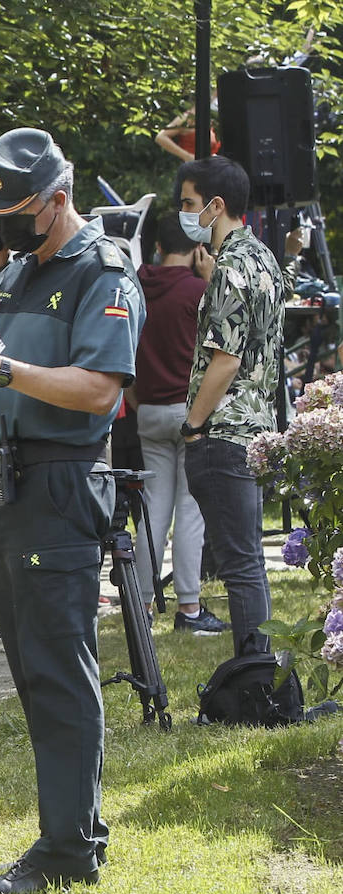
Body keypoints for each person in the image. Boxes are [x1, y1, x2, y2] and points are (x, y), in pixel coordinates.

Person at [0, 128, 144, 894]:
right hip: (5, 490)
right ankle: (72, 831)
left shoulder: (102, 271)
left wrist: (9, 369)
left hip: (56, 485)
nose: (1, 226)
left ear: (59, 198)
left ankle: (67, 851)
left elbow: (98, 391)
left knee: (58, 671)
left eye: (12, 213)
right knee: (36, 670)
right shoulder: (15, 274)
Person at [177, 155, 286, 657]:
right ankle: (259, 676)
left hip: (223, 434)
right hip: (257, 431)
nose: (184, 213)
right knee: (249, 564)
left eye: (189, 204)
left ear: (215, 206)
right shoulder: (264, 258)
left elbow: (225, 359)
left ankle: (254, 682)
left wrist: (193, 424)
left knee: (239, 566)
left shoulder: (231, 267)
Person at [130, 213, 224, 634]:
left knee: (152, 511)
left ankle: (143, 606)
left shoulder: (134, 286)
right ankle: (189, 608)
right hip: (191, 413)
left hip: (147, 409)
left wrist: (137, 401)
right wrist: (214, 275)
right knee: (190, 511)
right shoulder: (198, 291)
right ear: (198, 246)